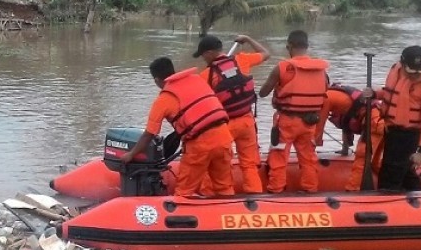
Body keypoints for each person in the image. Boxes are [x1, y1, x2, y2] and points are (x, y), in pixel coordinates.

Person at [120, 57, 235, 196]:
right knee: (224, 186)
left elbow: (149, 134)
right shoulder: (197, 80)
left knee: (184, 191)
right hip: (224, 137)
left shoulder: (164, 100)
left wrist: (131, 154)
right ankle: (225, 213)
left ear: (156, 80)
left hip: (199, 146)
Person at [195, 34, 270, 193]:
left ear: (209, 53)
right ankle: (254, 195)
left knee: (219, 163)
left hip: (225, 126)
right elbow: (266, 53)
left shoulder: (206, 76)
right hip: (247, 121)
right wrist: (248, 39)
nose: (203, 59)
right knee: (249, 163)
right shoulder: (241, 60)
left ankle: (217, 196)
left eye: (202, 55)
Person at [259, 30, 329, 193]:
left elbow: (263, 92)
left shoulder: (282, 67)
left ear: (288, 46)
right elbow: (325, 90)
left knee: (278, 155)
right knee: (308, 157)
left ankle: (276, 189)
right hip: (310, 122)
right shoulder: (321, 70)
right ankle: (310, 189)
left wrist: (279, 85)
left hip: (287, 121)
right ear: (307, 46)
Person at [371, 46, 421, 191]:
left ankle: (389, 201)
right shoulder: (396, 70)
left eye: (419, 72)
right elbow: (391, 94)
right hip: (391, 129)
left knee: (391, 174)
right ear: (403, 64)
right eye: (411, 71)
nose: (415, 76)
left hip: (409, 135)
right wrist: (374, 94)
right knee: (405, 172)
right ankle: (419, 199)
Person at [316, 83, 385, 191]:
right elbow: (346, 121)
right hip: (379, 121)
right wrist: (344, 149)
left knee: (362, 157)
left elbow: (320, 124)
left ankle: (353, 189)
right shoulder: (339, 94)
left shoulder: (325, 98)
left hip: (374, 123)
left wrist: (314, 142)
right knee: (375, 163)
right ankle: (390, 183)